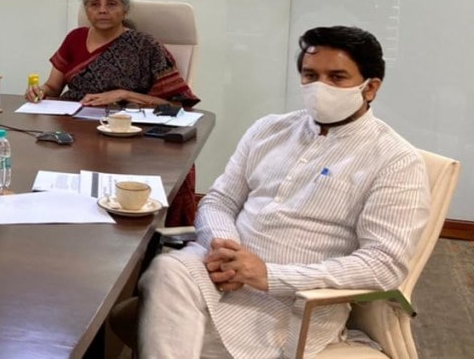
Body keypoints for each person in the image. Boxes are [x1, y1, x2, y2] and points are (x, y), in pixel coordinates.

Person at [135, 26, 430, 358]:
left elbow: (384, 264)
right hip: (218, 273)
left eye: (336, 77)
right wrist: (225, 248)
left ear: (370, 87)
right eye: (310, 75)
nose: (320, 87)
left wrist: (268, 275)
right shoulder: (269, 129)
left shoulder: (395, 160)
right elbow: (220, 200)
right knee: (167, 270)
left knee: (172, 333)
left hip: (291, 304)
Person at [25, 0, 200, 225]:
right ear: (87, 11)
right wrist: (39, 91)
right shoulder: (74, 38)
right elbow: (53, 87)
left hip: (127, 134)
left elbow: (176, 105)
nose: (103, 10)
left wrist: (123, 94)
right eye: (95, 4)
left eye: (111, 4)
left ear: (124, 10)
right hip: (75, 130)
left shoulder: (145, 46)